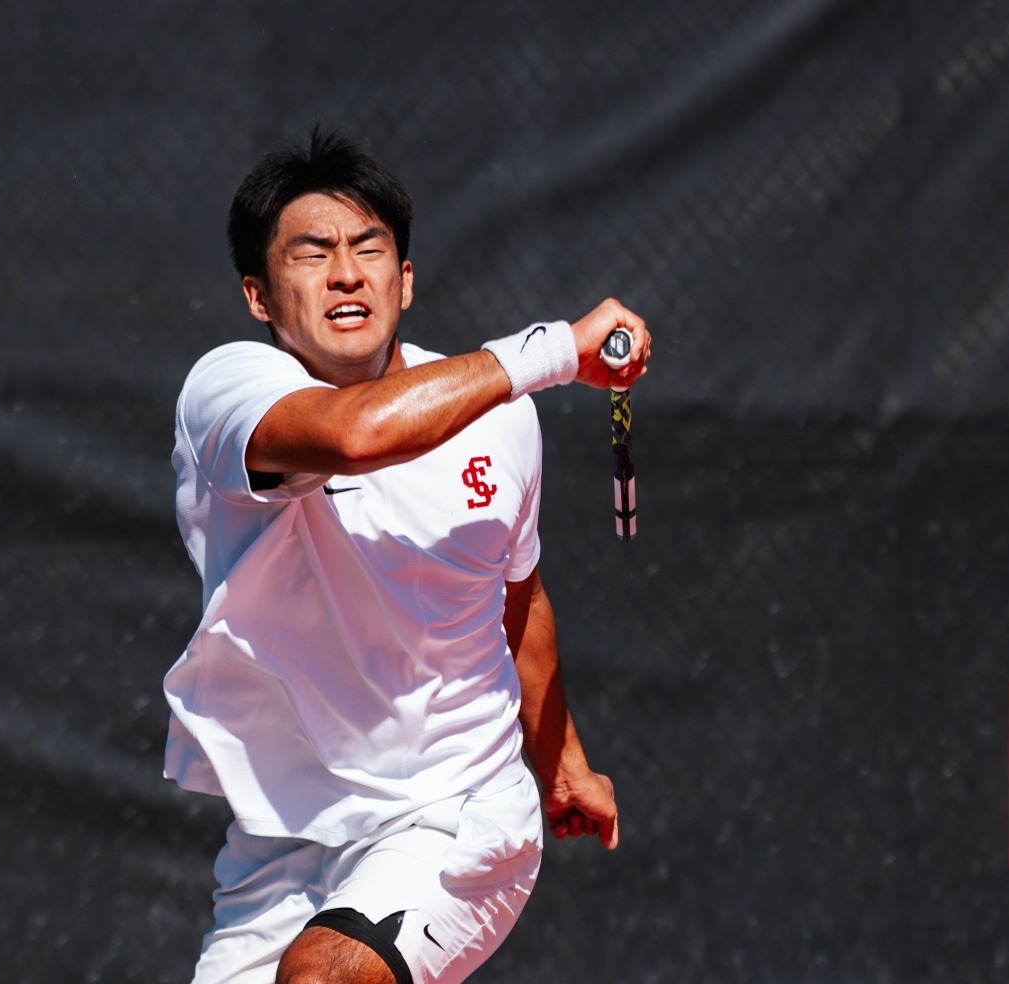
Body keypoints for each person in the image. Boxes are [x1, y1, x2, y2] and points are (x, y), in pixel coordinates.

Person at [163, 128, 650, 984]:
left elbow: (517, 600)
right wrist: (550, 352)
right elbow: (356, 435)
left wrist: (563, 763)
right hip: (282, 841)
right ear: (258, 297)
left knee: (322, 980)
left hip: (458, 815)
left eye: (368, 249)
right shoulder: (225, 391)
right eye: (311, 254)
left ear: (405, 280)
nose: (346, 273)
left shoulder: (498, 418)